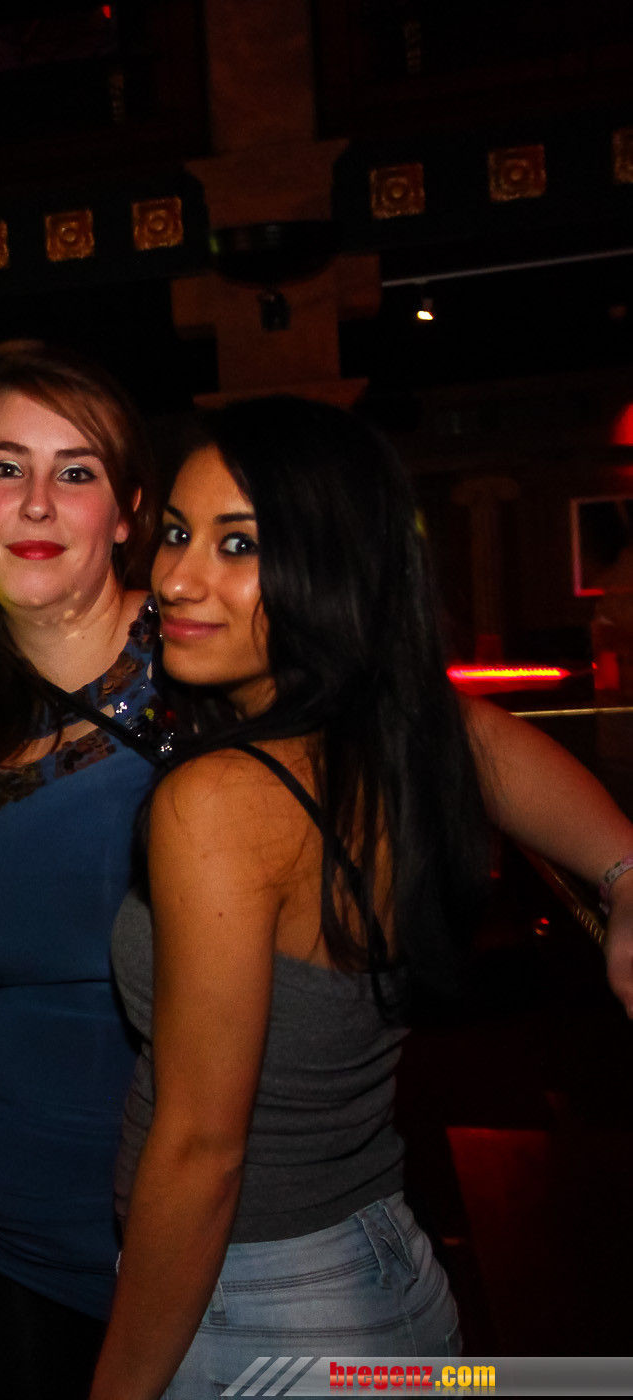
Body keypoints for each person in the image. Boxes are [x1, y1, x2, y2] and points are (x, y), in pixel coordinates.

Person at [93, 397, 633, 1398]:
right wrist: (624, 872)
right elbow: (494, 741)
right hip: (382, 1269)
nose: (175, 577)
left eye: (239, 543)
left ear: (334, 564)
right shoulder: (393, 732)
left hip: (258, 1301)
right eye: (175, 532)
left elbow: (203, 1152)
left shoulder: (219, 801)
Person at [0, 345, 157, 1398]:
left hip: (185, 1257)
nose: (37, 502)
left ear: (127, 513)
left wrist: (620, 872)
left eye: (76, 471)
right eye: (4, 467)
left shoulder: (206, 660)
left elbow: (448, 735)